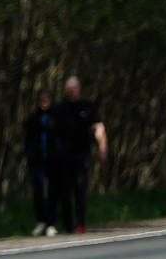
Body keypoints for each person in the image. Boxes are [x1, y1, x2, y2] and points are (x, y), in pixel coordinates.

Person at [56, 75, 106, 234]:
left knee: (80, 187)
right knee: (65, 190)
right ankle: (67, 223)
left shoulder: (87, 107)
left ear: (79, 89)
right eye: (69, 90)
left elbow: (99, 127)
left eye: (75, 89)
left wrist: (103, 148)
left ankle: (80, 222)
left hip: (82, 154)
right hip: (63, 156)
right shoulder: (59, 108)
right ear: (65, 91)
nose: (72, 92)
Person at [24, 89, 64, 236]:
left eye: (47, 98)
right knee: (38, 190)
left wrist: (60, 154)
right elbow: (28, 140)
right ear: (38, 101)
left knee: (53, 191)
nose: (45, 101)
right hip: (38, 160)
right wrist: (30, 156)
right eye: (42, 98)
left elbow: (62, 137)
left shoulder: (56, 117)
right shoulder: (33, 118)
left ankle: (51, 223)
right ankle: (41, 221)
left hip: (54, 159)